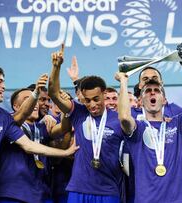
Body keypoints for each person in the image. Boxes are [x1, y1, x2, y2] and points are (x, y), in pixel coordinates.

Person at [0, 65, 78, 202]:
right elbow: (23, 113)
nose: (3, 87)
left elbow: (29, 145)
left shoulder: (3, 117)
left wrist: (65, 152)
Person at [116, 57, 182, 202]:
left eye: (157, 90)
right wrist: (123, 81)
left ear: (164, 100)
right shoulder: (137, 129)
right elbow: (123, 117)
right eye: (147, 91)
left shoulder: (178, 124)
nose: (152, 93)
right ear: (140, 101)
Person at [48, 45, 125, 203]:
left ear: (104, 94)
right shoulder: (78, 112)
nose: (92, 105)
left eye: (96, 99)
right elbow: (54, 94)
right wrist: (56, 67)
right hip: (78, 189)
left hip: (108, 190)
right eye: (87, 100)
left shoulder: (119, 119)